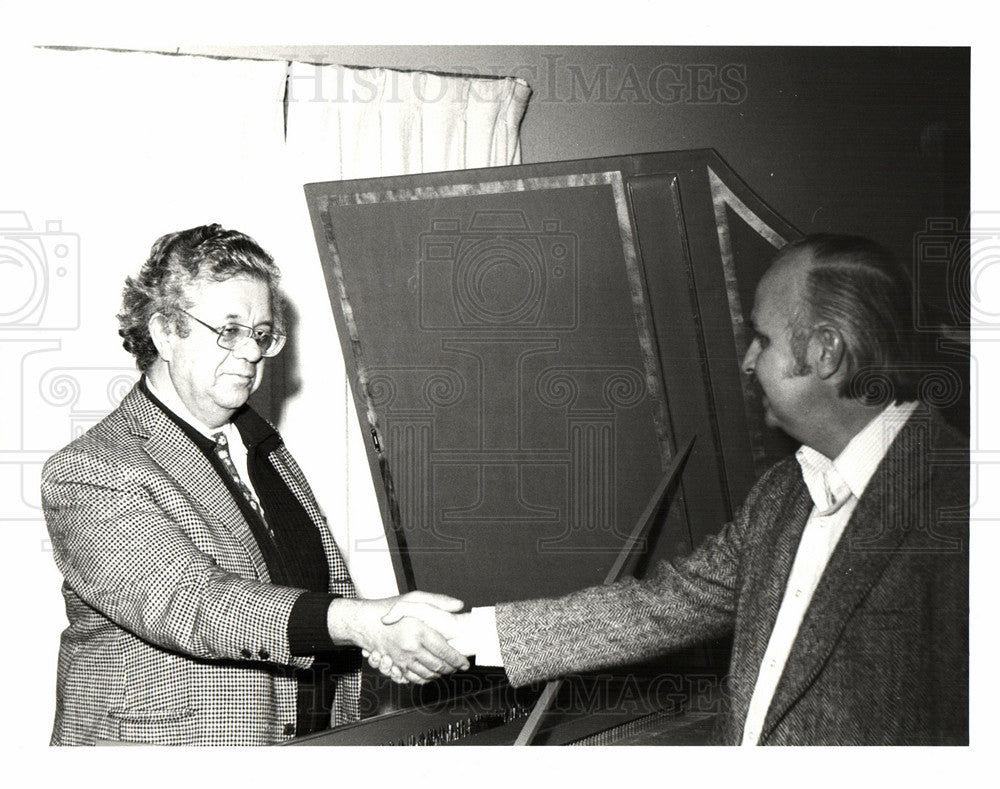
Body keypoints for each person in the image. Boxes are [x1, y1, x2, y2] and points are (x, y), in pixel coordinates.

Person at [377, 233, 969, 746]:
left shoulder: (962, 502)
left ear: (826, 351)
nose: (746, 361)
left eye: (761, 339)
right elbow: (660, 608)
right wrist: (459, 633)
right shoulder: (783, 494)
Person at [42, 224, 468, 746]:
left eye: (262, 333)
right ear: (164, 333)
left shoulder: (262, 448)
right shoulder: (93, 468)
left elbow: (312, 593)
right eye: (229, 329)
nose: (251, 352)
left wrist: (379, 647)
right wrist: (361, 623)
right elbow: (193, 604)